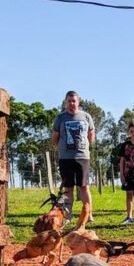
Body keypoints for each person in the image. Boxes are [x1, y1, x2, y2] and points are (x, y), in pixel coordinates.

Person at [50, 90, 95, 220]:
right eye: (69, 101)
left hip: (82, 157)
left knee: (84, 187)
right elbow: (55, 137)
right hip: (65, 158)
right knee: (68, 188)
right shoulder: (60, 118)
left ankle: (88, 214)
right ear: (65, 102)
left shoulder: (86, 116)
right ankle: (68, 215)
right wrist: (63, 148)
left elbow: (91, 134)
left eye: (74, 101)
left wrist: (83, 146)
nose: (72, 103)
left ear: (78, 102)